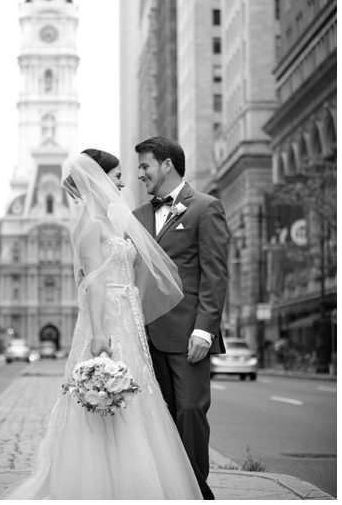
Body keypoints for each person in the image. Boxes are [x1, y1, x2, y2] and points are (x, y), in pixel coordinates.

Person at [6, 149, 202, 499]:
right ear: (98, 179)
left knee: (137, 394)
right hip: (107, 320)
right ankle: (103, 486)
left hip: (128, 316)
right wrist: (98, 333)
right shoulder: (91, 225)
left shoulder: (115, 220)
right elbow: (94, 283)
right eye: (116, 175)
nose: (124, 181)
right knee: (108, 394)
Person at [133, 137, 229, 500]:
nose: (140, 174)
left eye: (145, 166)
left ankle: (195, 493)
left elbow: (215, 274)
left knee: (190, 411)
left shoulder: (206, 208)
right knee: (158, 419)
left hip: (189, 335)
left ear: (167, 165)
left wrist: (205, 329)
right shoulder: (138, 216)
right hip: (145, 337)